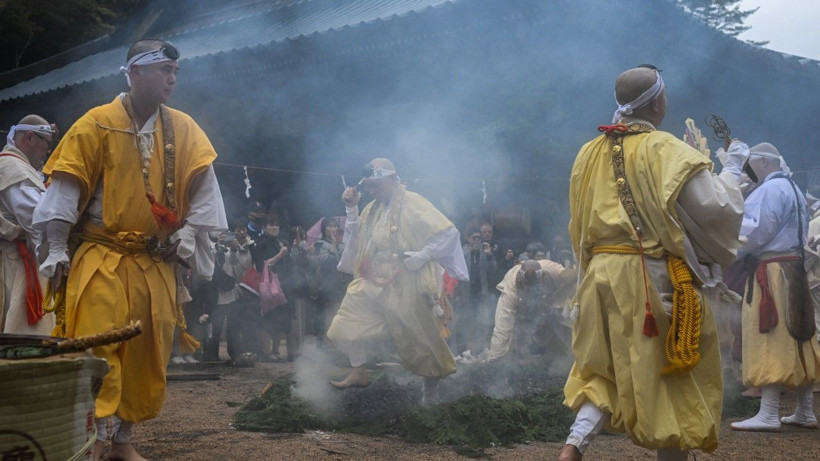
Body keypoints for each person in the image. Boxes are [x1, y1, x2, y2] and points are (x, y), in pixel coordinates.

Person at [33, 39, 227, 461]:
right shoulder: (95, 123)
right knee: (97, 344)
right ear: (135, 72)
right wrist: (54, 246)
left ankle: (122, 441)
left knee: (146, 351)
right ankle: (95, 437)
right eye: (163, 70)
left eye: (176, 72)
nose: (172, 79)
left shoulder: (184, 128)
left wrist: (191, 232)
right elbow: (65, 190)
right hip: (102, 255)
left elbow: (206, 189)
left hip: (154, 261)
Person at [559, 66, 747, 461]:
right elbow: (714, 209)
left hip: (600, 274)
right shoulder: (666, 149)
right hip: (650, 280)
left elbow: (577, 223)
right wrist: (731, 169)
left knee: (602, 370)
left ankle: (573, 446)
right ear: (658, 102)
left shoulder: (588, 152)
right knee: (673, 373)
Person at [326, 158, 468, 404]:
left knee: (421, 338)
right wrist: (351, 208)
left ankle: (430, 392)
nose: (371, 191)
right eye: (368, 186)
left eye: (376, 186)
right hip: (375, 279)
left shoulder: (413, 202)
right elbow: (357, 237)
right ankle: (358, 370)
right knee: (344, 321)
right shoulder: (372, 207)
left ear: (393, 179)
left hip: (409, 280)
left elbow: (448, 233)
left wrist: (422, 256)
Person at [729, 142, 820, 431]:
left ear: (765, 163)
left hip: (772, 271)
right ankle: (805, 411)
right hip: (794, 269)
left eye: (751, 165)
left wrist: (725, 249)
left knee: (771, 334)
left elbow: (754, 231)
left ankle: (768, 413)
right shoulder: (793, 189)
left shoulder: (770, 190)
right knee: (800, 334)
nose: (749, 171)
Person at [0, 115, 56, 335]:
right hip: (16, 265)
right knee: (25, 343)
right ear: (29, 138)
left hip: (12, 261)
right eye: (47, 144)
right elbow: (40, 222)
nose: (48, 151)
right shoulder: (14, 169)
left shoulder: (10, 166)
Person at [485, 258, 575, 362]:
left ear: (542, 277)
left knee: (566, 321)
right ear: (520, 279)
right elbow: (502, 326)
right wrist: (495, 356)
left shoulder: (553, 271)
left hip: (550, 302)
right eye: (528, 286)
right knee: (510, 330)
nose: (532, 289)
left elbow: (571, 282)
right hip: (522, 308)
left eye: (535, 285)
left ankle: (575, 355)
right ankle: (506, 357)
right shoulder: (511, 290)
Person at [308, 217, 351, 347]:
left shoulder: (343, 245)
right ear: (324, 228)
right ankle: (326, 344)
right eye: (329, 226)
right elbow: (325, 262)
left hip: (341, 284)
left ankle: (338, 345)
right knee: (327, 314)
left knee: (339, 314)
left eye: (334, 226)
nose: (332, 229)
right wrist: (332, 245)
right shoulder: (319, 244)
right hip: (326, 285)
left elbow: (347, 262)